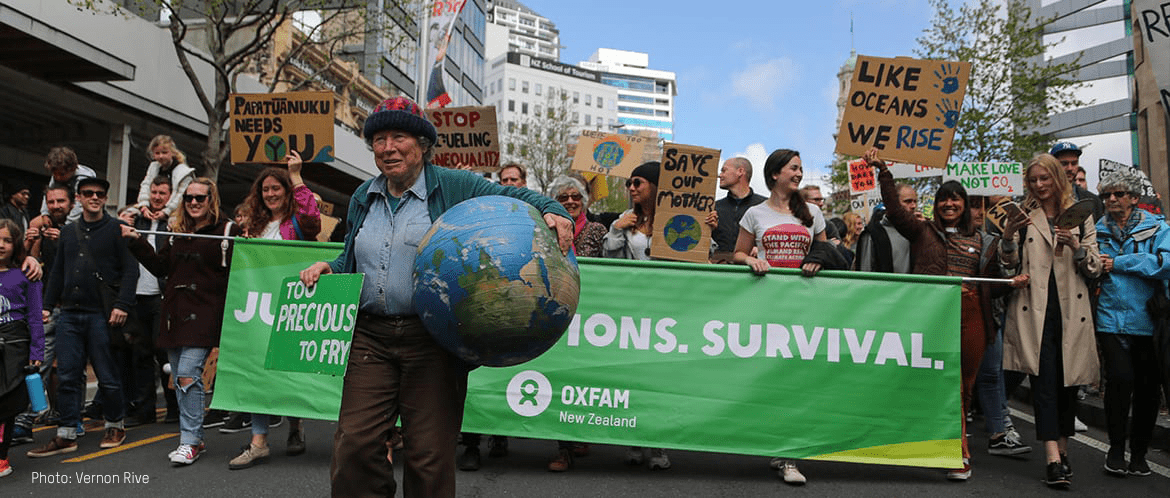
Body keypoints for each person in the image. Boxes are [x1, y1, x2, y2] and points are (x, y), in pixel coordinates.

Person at [297, 96, 573, 497]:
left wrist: (553, 211)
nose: (388, 147)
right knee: (354, 445)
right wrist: (330, 267)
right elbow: (352, 257)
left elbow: (517, 199)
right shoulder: (362, 197)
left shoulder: (455, 186)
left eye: (399, 136)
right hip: (370, 337)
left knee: (428, 456)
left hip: (432, 341)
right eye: (378, 139)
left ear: (423, 144)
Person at [869, 148, 1016, 481]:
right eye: (943, 200)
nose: (949, 205)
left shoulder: (981, 240)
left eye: (956, 200)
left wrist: (1012, 275)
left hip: (973, 317)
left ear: (965, 205)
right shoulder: (922, 231)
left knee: (964, 388)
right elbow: (893, 208)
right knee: (939, 384)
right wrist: (884, 171)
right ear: (935, 206)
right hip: (934, 316)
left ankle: (951, 448)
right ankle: (946, 451)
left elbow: (994, 281)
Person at [121, 177, 241, 466]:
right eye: (189, 198)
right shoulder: (176, 231)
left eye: (200, 198)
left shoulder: (228, 231)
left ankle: (189, 440)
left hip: (206, 313)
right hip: (174, 314)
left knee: (187, 374)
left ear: (212, 200)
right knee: (181, 379)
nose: (194, 203)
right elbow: (162, 267)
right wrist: (136, 241)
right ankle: (195, 438)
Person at [1001, 153, 1102, 489]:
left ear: (1058, 177)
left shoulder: (1082, 216)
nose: (1039, 186)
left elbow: (1094, 267)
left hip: (1072, 311)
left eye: (1045, 179)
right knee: (1044, 384)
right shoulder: (1024, 215)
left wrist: (1075, 245)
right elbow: (1009, 264)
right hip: (1035, 308)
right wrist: (1006, 238)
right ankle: (1052, 459)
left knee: (1068, 386)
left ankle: (1063, 449)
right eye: (1033, 180)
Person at [733, 149, 832, 485]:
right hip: (769, 305)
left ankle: (790, 454)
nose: (800, 173)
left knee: (797, 378)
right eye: (794, 168)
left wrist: (817, 260)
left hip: (805, 305)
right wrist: (752, 261)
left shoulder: (814, 212)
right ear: (775, 174)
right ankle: (774, 442)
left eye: (801, 169)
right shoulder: (755, 213)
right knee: (770, 377)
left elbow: (824, 250)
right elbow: (738, 252)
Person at [28, 177, 137, 457]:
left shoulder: (116, 229)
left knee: (107, 374)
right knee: (66, 375)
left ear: (105, 198)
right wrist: (47, 306)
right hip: (69, 315)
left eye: (100, 194)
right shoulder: (68, 232)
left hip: (102, 314)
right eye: (88, 193)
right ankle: (66, 433)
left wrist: (122, 304)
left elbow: (130, 271)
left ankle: (115, 424)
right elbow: (58, 273)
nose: (94, 197)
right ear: (79, 197)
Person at [227, 149, 319, 468]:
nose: (270, 194)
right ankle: (259, 441)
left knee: (289, 371)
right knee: (257, 370)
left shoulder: (298, 221)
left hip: (292, 309)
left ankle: (295, 427)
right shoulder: (255, 224)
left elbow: (313, 217)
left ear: (286, 191)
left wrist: (295, 175)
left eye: (275, 188)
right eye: (265, 190)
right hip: (260, 310)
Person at [1093, 174, 1170, 477]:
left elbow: (1165, 264)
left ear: (1135, 198)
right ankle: (1114, 449)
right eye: (1107, 195)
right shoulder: (1094, 231)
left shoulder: (1158, 227)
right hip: (1110, 319)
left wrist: (1119, 263)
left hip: (1149, 322)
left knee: (1148, 391)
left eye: (1119, 194)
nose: (1112, 200)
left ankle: (1138, 453)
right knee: (1119, 382)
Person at [544, 175, 605, 472]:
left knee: (583, 380)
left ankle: (580, 433)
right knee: (560, 378)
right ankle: (563, 448)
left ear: (584, 201)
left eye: (576, 197)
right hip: (558, 308)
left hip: (593, 313)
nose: (570, 202)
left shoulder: (597, 229)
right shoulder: (546, 230)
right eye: (563, 197)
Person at [118, 176, 178, 427]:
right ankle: (145, 410)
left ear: (170, 196)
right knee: (140, 355)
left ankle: (175, 407)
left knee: (165, 354)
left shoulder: (174, 223)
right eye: (153, 192)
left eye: (162, 193)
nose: (156, 197)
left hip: (162, 297)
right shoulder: (136, 220)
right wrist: (126, 216)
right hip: (136, 297)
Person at [0, 220, 45, 478]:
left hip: (14, 347)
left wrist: (37, 352)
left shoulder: (26, 275)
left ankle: (1, 458)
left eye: (7, 240)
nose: (1, 245)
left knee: (6, 406)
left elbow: (35, 317)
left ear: (16, 244)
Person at [124, 135, 195, 221]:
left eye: (164, 153)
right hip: (152, 208)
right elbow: (145, 185)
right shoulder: (153, 167)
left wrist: (166, 211)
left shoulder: (183, 172)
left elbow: (180, 195)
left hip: (175, 211)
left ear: (172, 152)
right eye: (157, 153)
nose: (161, 156)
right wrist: (144, 205)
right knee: (127, 213)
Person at [712, 158, 766, 261]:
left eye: (724, 170)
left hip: (753, 271)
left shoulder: (764, 206)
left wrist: (760, 248)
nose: (720, 175)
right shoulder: (714, 208)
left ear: (740, 172)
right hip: (718, 270)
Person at [854, 184, 917, 273]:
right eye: (908, 201)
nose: (913, 206)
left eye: (915, 201)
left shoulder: (916, 231)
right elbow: (865, 274)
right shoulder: (872, 234)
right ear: (892, 202)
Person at [39, 146, 96, 223]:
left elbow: (81, 205)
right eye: (55, 174)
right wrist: (45, 214)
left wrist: (67, 225)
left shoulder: (84, 179)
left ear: (73, 169)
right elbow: (49, 194)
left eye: (62, 174)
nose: (58, 178)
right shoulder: (58, 174)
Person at [1049, 142, 1103, 221]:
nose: (1070, 168)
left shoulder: (1093, 201)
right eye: (1064, 164)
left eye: (1074, 163)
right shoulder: (1038, 198)